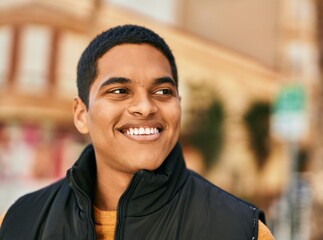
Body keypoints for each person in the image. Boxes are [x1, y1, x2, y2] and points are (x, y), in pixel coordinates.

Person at [0, 24, 274, 240]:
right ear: (81, 115)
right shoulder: (21, 221)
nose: (145, 107)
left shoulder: (239, 230)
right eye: (120, 91)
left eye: (162, 92)